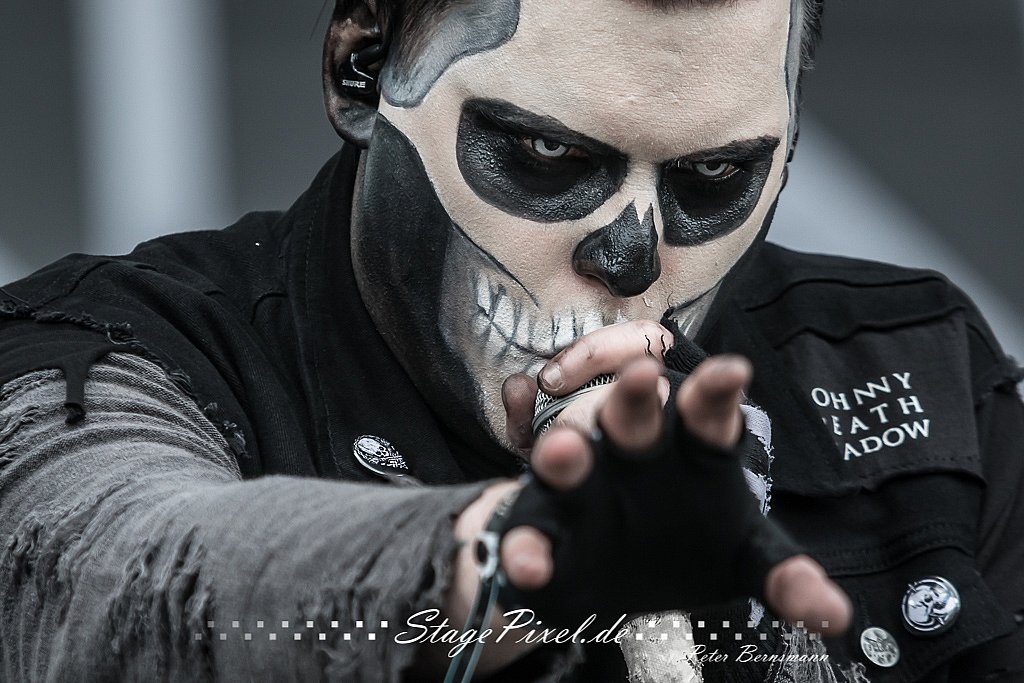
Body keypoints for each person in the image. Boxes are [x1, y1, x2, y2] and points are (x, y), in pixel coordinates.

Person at [0, 0, 1021, 681]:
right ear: (363, 69)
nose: (629, 257)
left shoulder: (919, 375)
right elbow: (118, 579)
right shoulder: (106, 353)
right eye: (543, 152)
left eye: (714, 178)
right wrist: (521, 561)